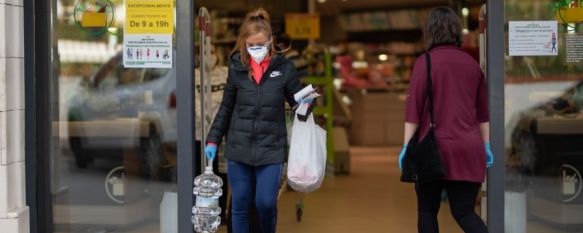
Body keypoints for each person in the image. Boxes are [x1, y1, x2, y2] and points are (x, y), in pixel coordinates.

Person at [203, 8, 307, 233]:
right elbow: (226, 107)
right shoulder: (237, 67)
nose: (255, 50)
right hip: (239, 149)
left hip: (271, 149)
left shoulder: (285, 68)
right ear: (244, 43)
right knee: (239, 204)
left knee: (265, 203)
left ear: (270, 41)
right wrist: (213, 139)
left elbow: (297, 102)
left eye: (260, 44)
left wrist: (306, 105)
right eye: (251, 46)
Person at [398, 7, 492, 233]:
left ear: (429, 31)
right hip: (468, 149)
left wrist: (405, 147)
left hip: (433, 148)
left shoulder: (425, 62)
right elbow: (482, 113)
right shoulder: (472, 64)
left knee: (428, 211)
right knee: (465, 212)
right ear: (456, 31)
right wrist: (486, 145)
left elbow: (413, 110)